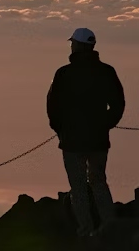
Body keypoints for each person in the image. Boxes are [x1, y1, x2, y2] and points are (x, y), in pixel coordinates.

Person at [46, 28, 126, 237]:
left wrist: (60, 129)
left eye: (73, 43)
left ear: (79, 46)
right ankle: (110, 228)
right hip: (98, 139)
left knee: (78, 186)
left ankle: (86, 230)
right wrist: (106, 124)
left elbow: (53, 106)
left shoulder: (63, 73)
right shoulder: (106, 72)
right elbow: (118, 104)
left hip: (71, 141)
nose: (71, 46)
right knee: (99, 181)